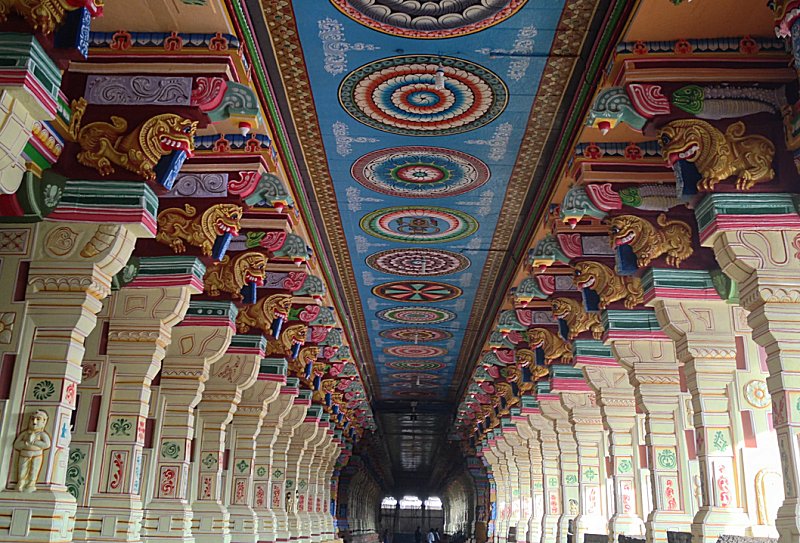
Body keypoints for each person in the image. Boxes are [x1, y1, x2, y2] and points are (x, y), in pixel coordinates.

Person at [14, 409, 51, 492]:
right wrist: (26, 444)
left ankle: (31, 482)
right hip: (24, 454)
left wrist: (35, 442)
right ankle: (21, 481)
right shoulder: (25, 434)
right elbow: (16, 445)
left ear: (44, 421)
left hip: (37, 455)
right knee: (22, 469)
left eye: (38, 419)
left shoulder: (42, 434)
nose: (34, 422)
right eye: (32, 419)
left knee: (34, 469)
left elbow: (47, 444)